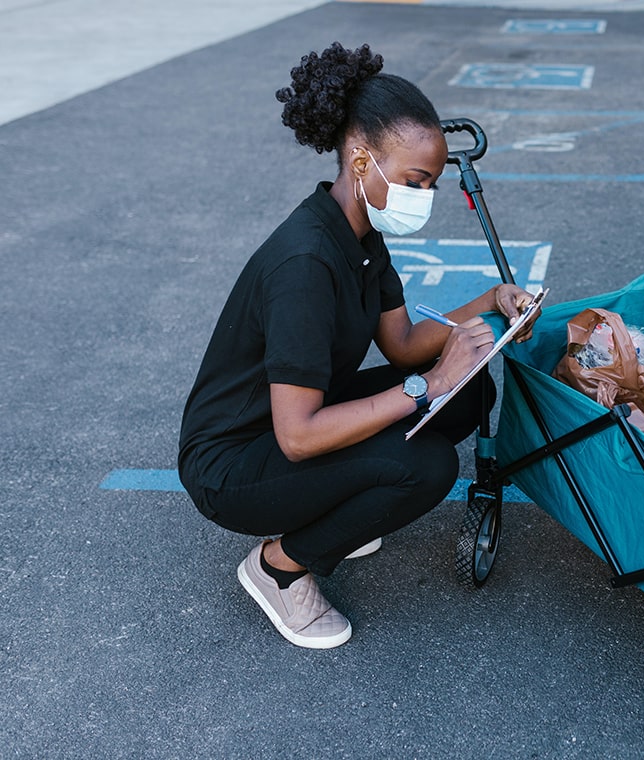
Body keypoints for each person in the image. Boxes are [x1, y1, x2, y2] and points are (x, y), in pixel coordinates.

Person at [178, 42, 538, 649]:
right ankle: (278, 568)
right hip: (235, 462)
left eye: (432, 184)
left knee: (471, 393)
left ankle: (336, 509)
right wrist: (430, 384)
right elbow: (298, 437)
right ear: (362, 160)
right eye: (415, 181)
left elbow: (402, 344)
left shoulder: (361, 231)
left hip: (294, 421)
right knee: (426, 466)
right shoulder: (305, 264)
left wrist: (492, 302)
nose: (424, 197)